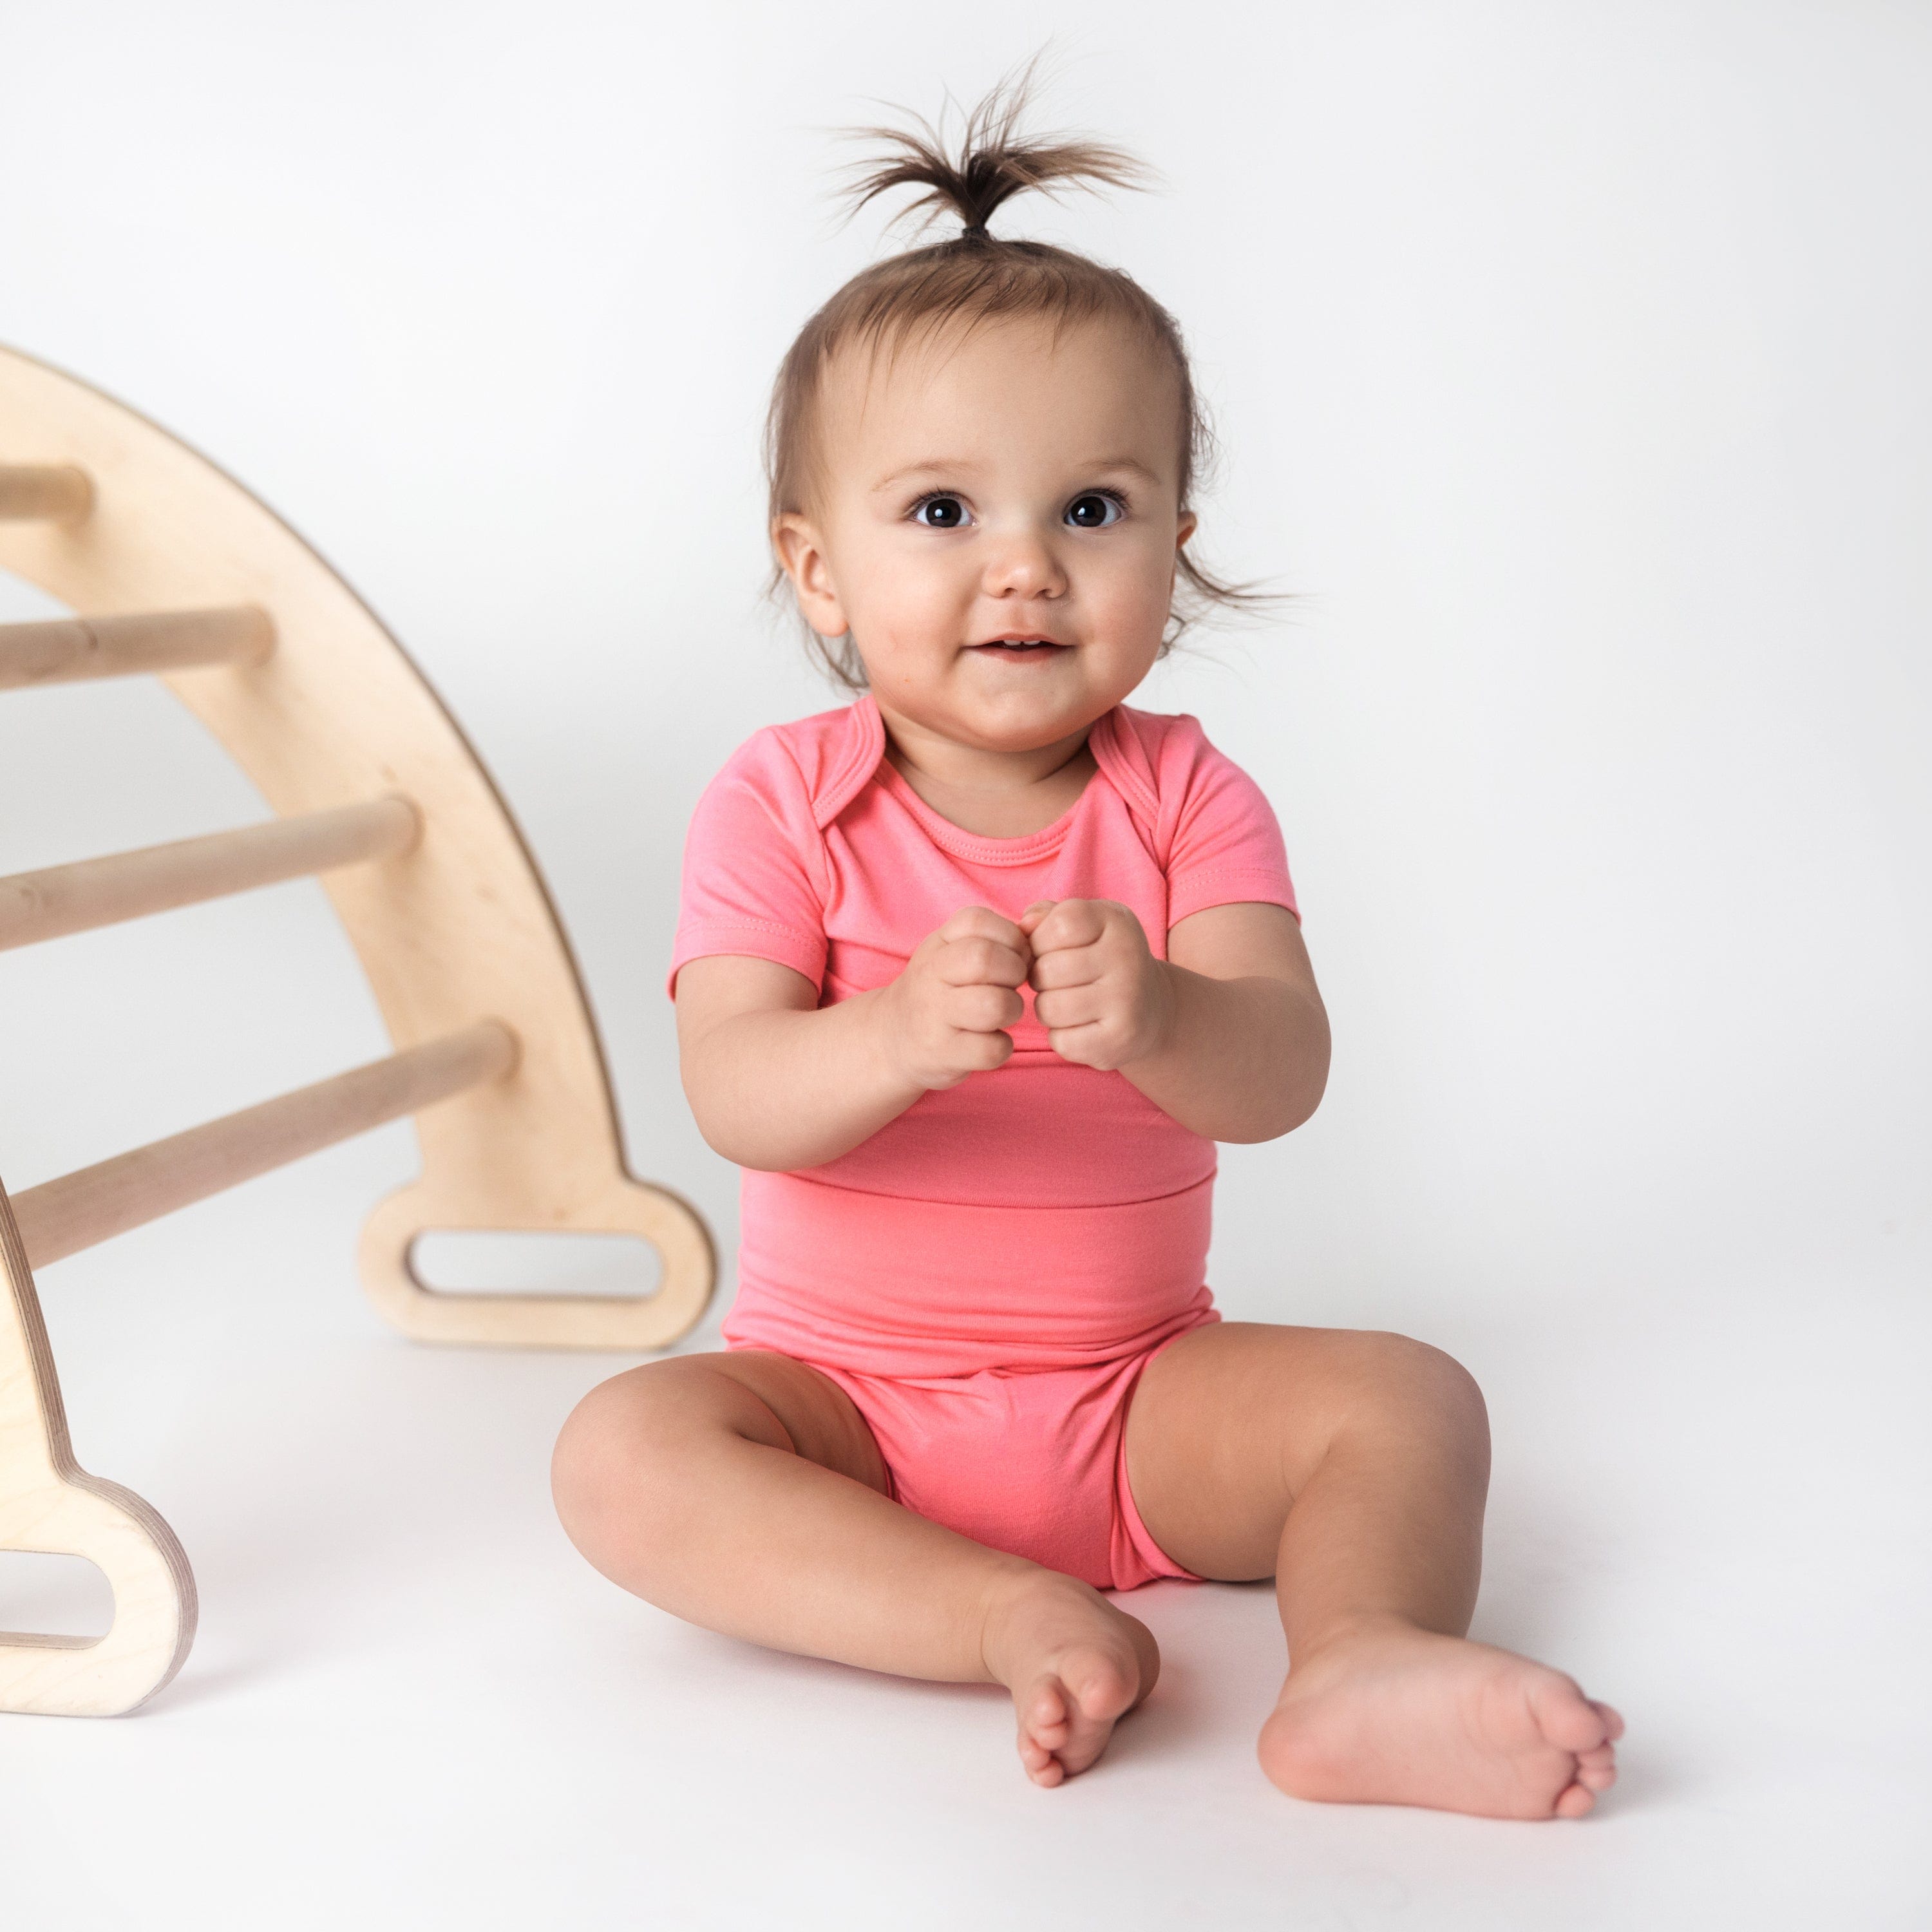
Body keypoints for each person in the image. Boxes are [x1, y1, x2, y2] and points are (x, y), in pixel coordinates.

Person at [552, 73, 1622, 1817]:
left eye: (1094, 510)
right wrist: (889, 1035)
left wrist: (1171, 1015)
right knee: (624, 1457)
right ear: (814, 569)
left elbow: (1281, 1075)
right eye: (944, 513)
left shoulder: (1189, 797)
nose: (1027, 571)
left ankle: (1357, 1667)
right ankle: (997, 1617)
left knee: (1411, 1400)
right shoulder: (779, 803)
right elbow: (735, 1091)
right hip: (848, 1417)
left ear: (1176, 554)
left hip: (1139, 1402)